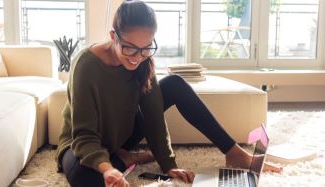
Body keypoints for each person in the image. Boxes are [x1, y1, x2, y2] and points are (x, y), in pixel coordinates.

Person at [55, 1, 282, 186]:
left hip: (121, 133)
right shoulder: (86, 66)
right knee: (87, 179)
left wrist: (168, 164)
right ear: (113, 36)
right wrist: (108, 169)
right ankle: (125, 158)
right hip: (82, 141)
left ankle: (234, 152)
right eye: (130, 48)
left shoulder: (143, 61)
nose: (137, 56)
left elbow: (153, 116)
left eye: (146, 48)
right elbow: (84, 136)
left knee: (173, 83)